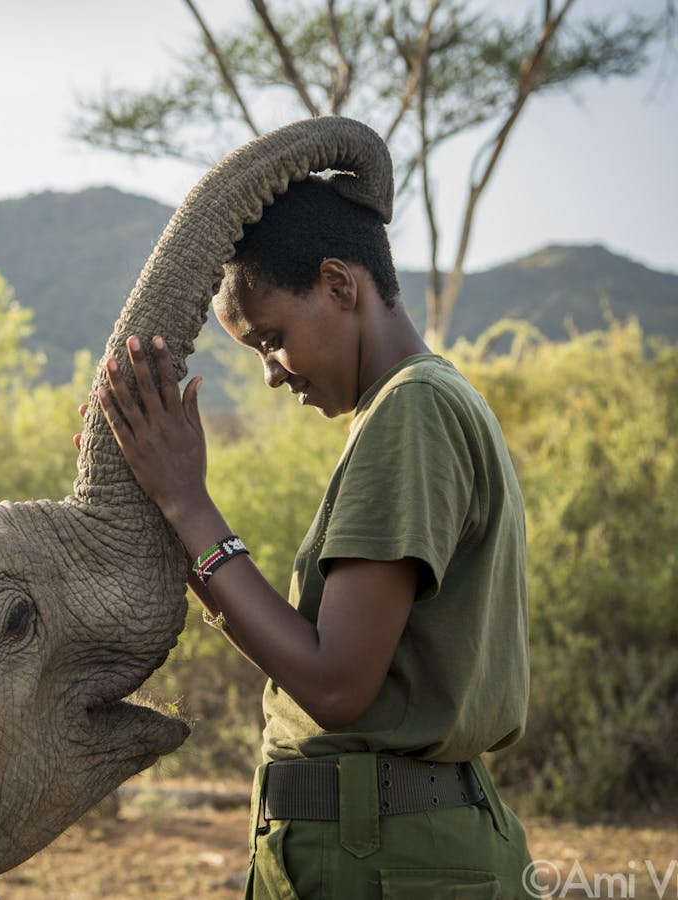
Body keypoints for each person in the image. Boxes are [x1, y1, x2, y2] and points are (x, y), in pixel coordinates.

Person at [91, 175, 535, 898]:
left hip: (389, 859)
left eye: (272, 339)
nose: (271, 374)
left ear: (338, 285)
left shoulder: (413, 410)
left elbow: (335, 685)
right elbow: (314, 657)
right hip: (368, 849)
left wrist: (188, 502)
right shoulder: (408, 407)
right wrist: (168, 509)